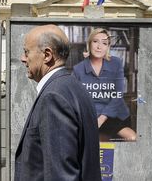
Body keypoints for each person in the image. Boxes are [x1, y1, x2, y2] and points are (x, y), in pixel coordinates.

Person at [15, 24, 101, 181]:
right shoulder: (75, 88)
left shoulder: (53, 97)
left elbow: (61, 175)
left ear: (47, 55)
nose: (23, 58)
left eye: (27, 52)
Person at [73, 28, 136, 142]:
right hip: (92, 117)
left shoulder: (116, 63)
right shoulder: (78, 69)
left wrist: (102, 119)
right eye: (95, 41)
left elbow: (118, 95)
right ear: (89, 44)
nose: (99, 46)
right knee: (103, 148)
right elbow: (76, 98)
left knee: (133, 138)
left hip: (115, 115)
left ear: (108, 47)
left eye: (104, 43)